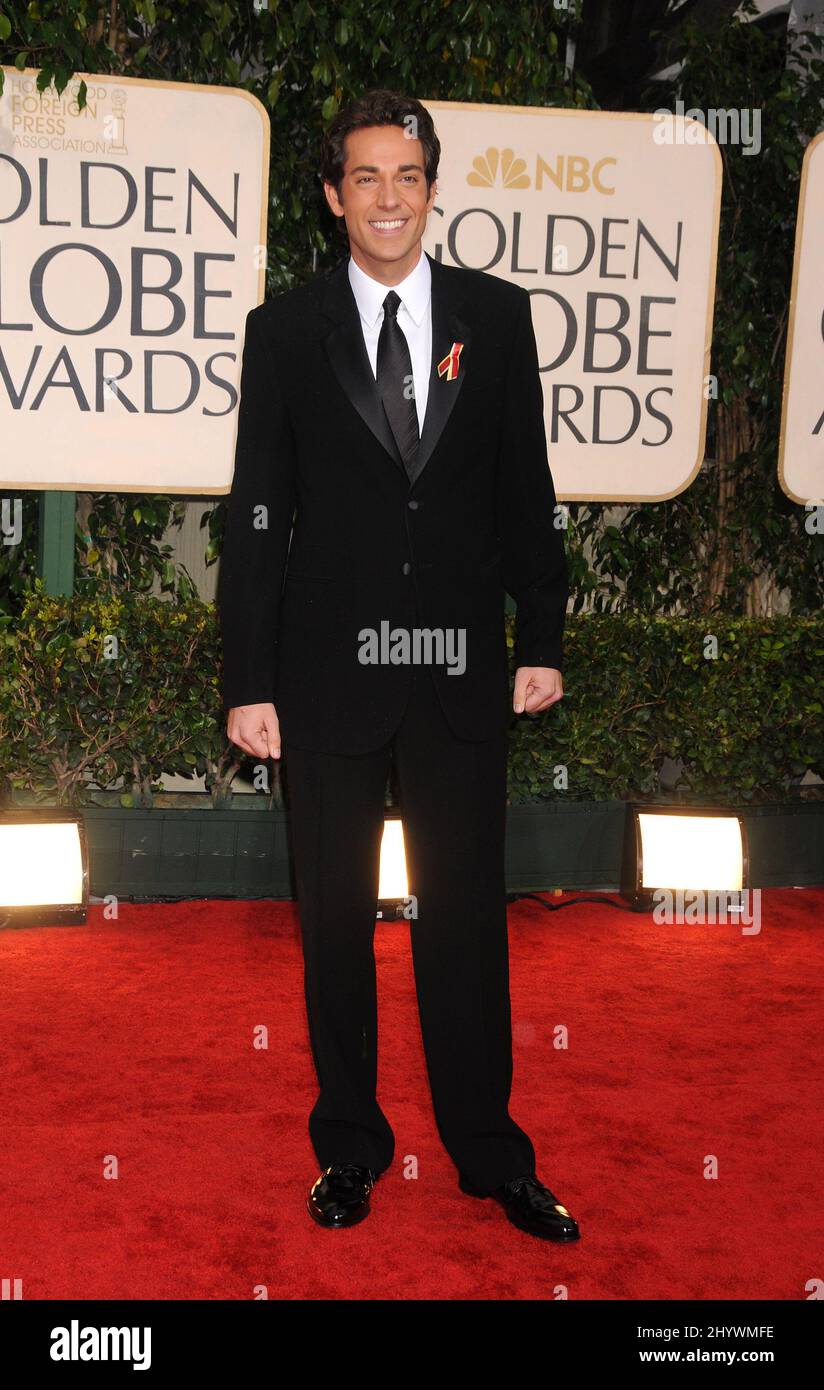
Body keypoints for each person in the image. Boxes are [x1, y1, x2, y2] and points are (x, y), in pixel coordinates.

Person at [218, 89, 579, 1242]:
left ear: (432, 186)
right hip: (326, 675)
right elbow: (260, 512)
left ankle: (490, 1153)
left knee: (465, 920)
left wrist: (544, 636)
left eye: (406, 175)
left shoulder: (498, 315)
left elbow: (525, 488)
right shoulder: (284, 331)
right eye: (364, 178)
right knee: (332, 920)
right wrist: (246, 677)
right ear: (332, 197)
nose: (387, 196)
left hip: (461, 670)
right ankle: (349, 1146)